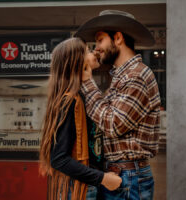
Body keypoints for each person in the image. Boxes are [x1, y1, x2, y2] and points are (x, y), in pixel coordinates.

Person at [74, 10, 161, 200]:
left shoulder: (136, 76)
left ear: (118, 38)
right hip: (122, 175)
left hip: (129, 178)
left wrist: (88, 82)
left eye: (100, 40)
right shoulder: (122, 76)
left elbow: (113, 125)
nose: (96, 48)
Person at [39, 37, 122, 200]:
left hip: (87, 184)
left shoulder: (82, 95)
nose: (94, 53)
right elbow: (59, 159)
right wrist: (103, 179)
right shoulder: (70, 101)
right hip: (79, 188)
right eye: (88, 51)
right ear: (77, 61)